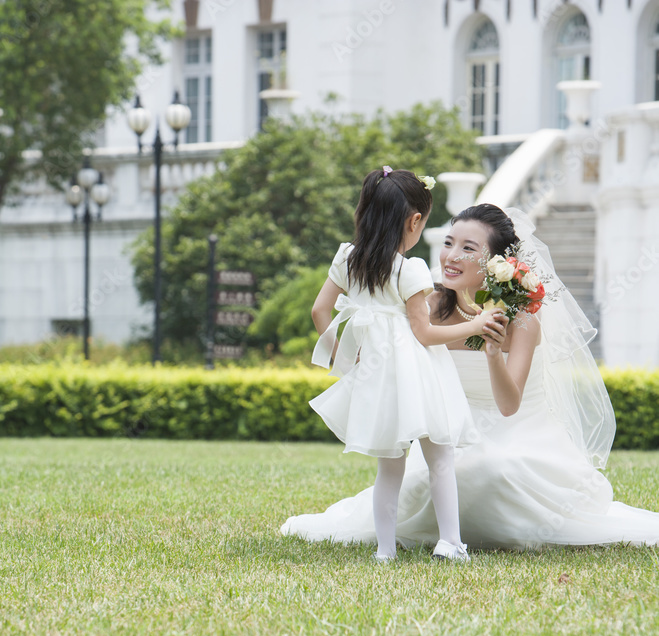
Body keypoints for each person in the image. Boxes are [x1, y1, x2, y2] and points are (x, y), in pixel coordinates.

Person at [282, 204, 659, 550]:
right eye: (448, 243)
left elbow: (509, 406)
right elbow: (379, 334)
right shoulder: (427, 305)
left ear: (497, 262)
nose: (451, 256)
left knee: (491, 469)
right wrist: (355, 359)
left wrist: (494, 353)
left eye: (467, 248)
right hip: (451, 434)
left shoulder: (523, 317)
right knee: (429, 481)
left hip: (519, 433)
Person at [307, 168, 507, 563]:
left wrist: (346, 360)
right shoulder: (410, 269)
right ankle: (450, 542)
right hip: (418, 373)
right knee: (440, 459)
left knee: (389, 467)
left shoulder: (347, 258)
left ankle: (385, 551)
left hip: (377, 376)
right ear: (414, 222)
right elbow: (425, 334)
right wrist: (477, 323)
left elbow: (319, 311)